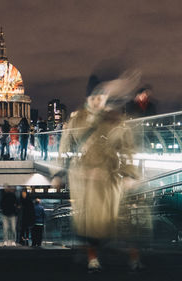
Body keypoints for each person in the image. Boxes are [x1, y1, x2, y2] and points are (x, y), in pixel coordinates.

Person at [58, 70, 141, 272]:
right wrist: (58, 172)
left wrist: (129, 173)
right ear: (88, 98)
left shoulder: (115, 120)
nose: (97, 101)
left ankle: (127, 255)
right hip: (84, 177)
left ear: (106, 98)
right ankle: (92, 257)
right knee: (91, 221)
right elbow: (64, 146)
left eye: (100, 97)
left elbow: (128, 147)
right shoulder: (76, 120)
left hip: (109, 176)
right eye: (93, 97)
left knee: (112, 220)